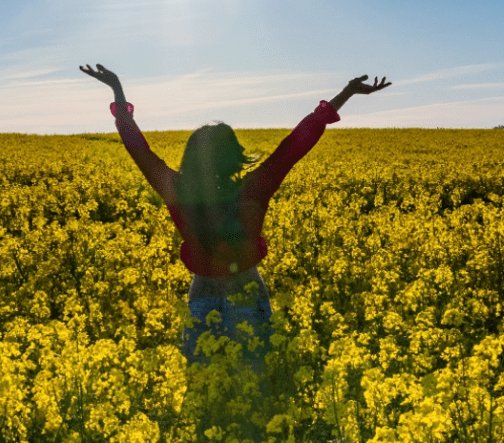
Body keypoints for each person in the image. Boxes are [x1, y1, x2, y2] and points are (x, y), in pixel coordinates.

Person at [80, 64, 390, 369]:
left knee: (202, 384)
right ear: (233, 156)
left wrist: (117, 89)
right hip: (247, 290)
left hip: (203, 293)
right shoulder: (253, 189)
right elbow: (296, 143)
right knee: (255, 381)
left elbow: (137, 146)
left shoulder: (177, 191)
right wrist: (346, 92)